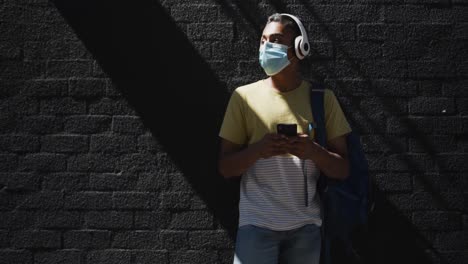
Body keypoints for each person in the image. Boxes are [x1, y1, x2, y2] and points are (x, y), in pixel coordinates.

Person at [218, 13, 352, 264]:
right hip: (255, 225)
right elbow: (225, 168)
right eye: (263, 40)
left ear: (299, 48)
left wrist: (313, 151)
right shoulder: (243, 98)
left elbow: (343, 169)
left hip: (307, 228)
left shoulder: (323, 99)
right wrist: (258, 150)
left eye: (276, 39)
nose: (266, 47)